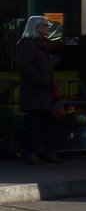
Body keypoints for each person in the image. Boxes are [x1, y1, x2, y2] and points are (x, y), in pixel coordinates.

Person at [15, 16, 62, 165]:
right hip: (35, 92)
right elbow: (26, 67)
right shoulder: (29, 44)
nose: (48, 28)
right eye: (45, 25)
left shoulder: (40, 44)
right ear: (36, 27)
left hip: (42, 92)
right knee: (35, 125)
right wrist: (42, 81)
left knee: (47, 125)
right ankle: (32, 153)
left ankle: (47, 152)